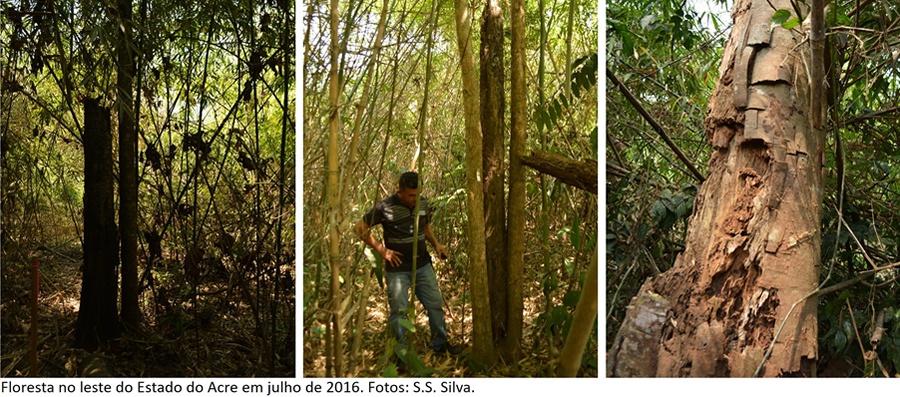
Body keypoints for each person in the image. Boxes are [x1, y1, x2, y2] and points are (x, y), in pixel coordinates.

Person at [354, 171, 463, 357]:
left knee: (435, 304)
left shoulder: (423, 203)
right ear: (400, 192)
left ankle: (439, 344)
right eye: (411, 195)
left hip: (422, 264)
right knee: (399, 310)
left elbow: (425, 227)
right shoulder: (384, 207)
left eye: (417, 194)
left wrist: (436, 245)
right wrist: (382, 250)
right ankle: (401, 352)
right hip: (397, 269)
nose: (415, 199)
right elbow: (359, 228)